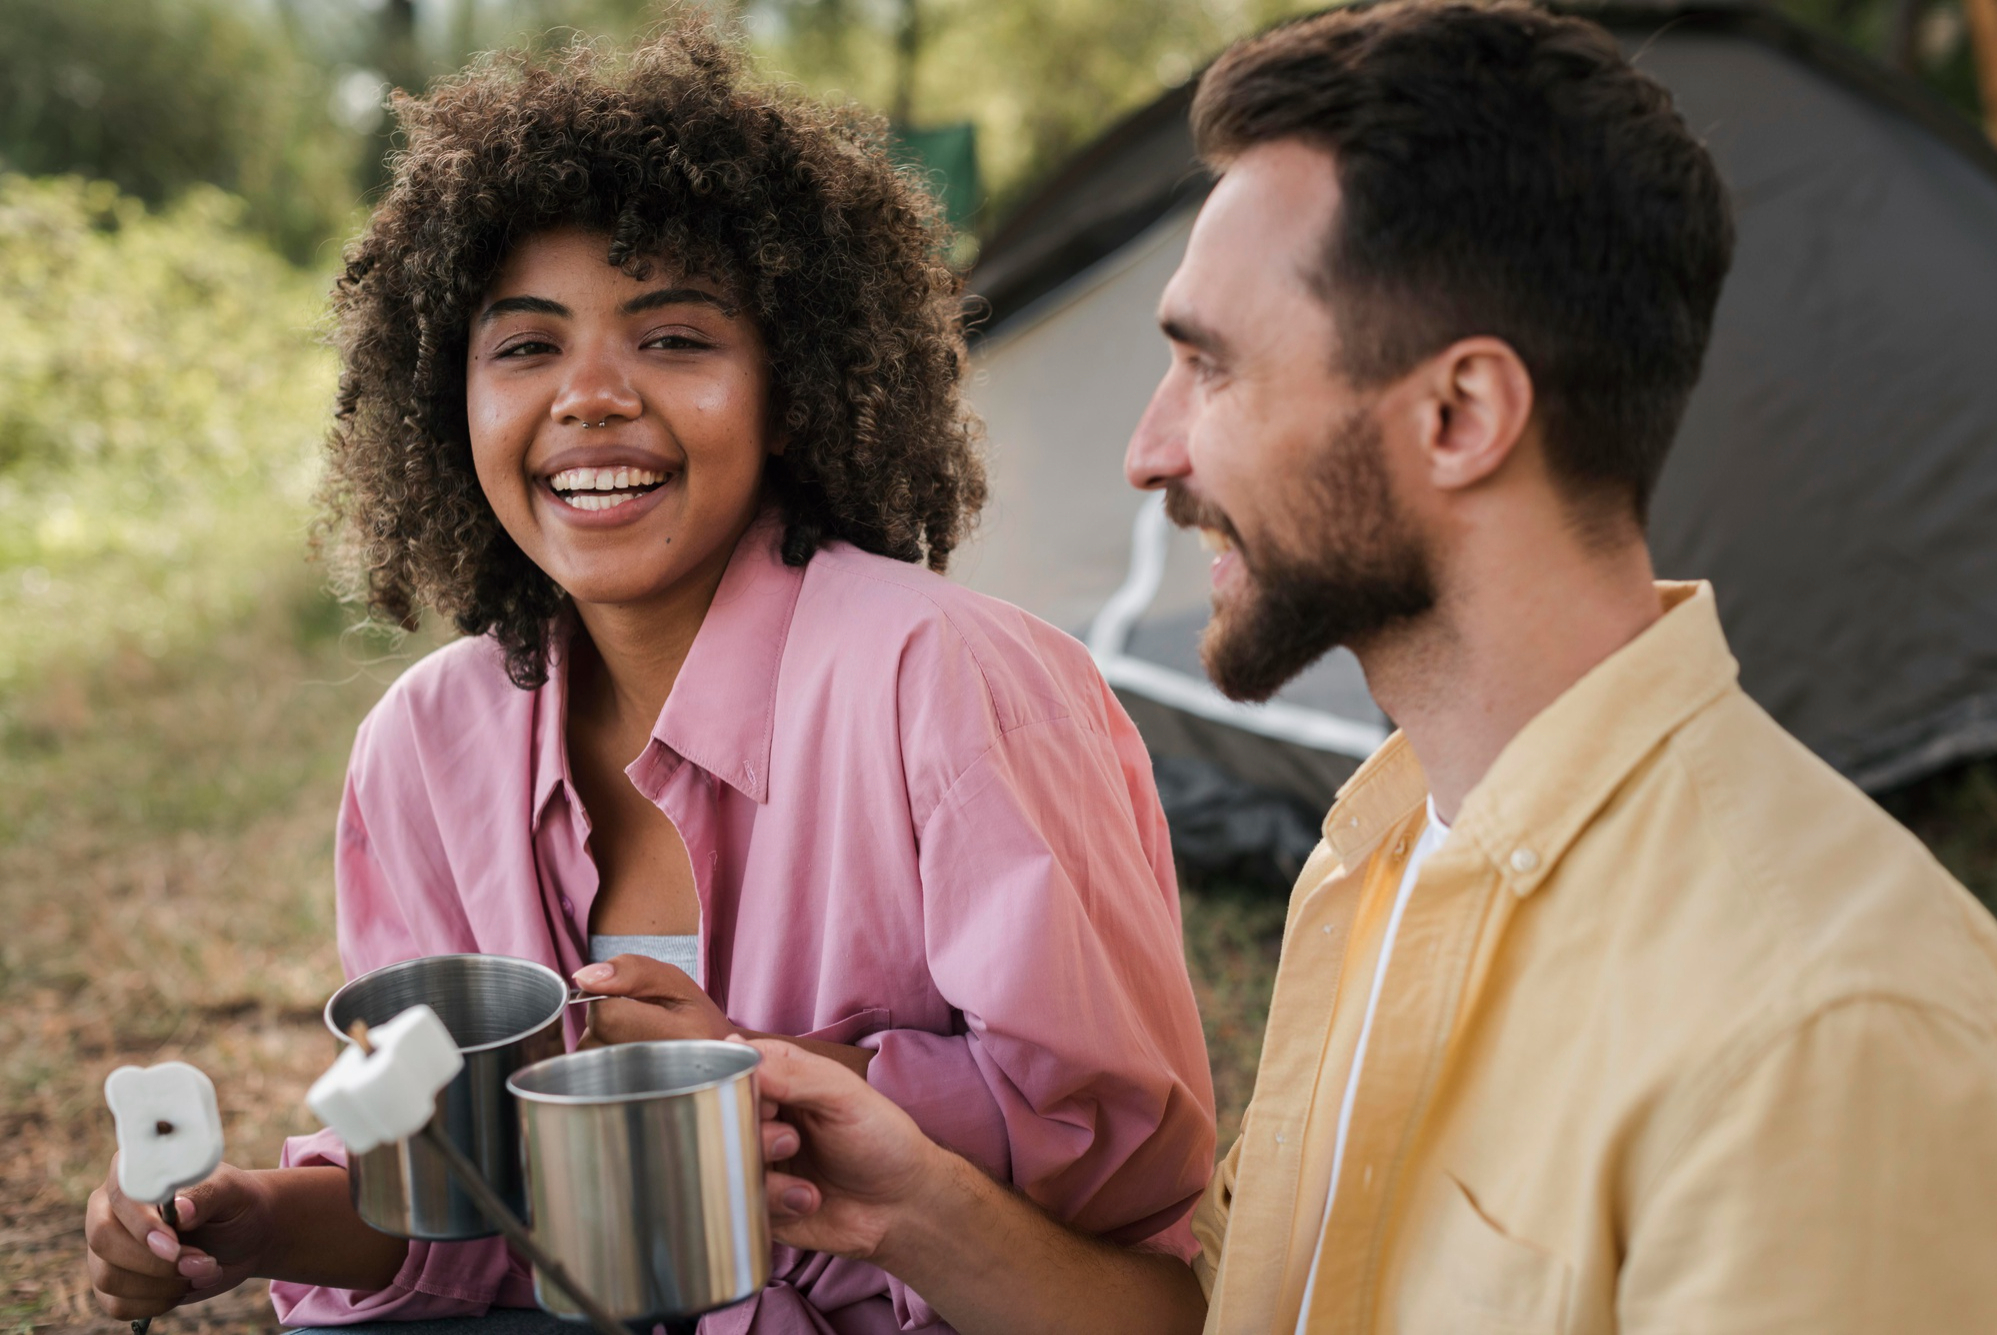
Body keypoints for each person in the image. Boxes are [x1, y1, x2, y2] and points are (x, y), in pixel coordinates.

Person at [729, 3, 1997, 1331]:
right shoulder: (1381, 850)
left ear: (1460, 417)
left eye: (1210, 369)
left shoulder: (1824, 1035)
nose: (1149, 452)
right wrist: (909, 1210)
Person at [82, 20, 1215, 1332]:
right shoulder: (427, 746)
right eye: (525, 348)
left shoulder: (954, 689)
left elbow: (1117, 1206)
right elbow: (476, 1213)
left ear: (790, 386)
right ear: (450, 402)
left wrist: (766, 1082)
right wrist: (251, 1222)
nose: (591, 396)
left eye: (673, 338)